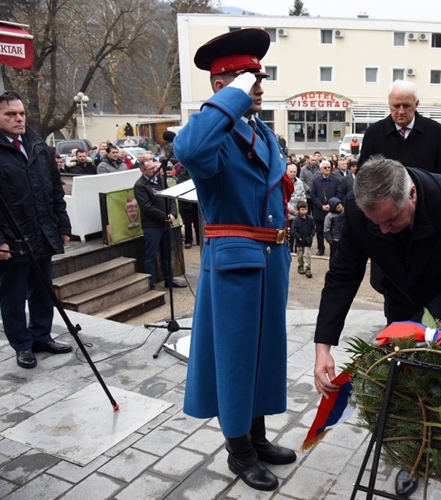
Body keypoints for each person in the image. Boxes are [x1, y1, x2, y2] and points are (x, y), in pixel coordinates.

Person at [173, 28, 296, 492]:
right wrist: (232, 98)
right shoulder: (215, 134)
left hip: (270, 259)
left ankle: (258, 437)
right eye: (248, 80)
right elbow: (188, 150)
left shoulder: (261, 131)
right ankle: (238, 452)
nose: (259, 88)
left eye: (258, 80)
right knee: (236, 357)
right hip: (234, 265)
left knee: (263, 354)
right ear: (221, 85)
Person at [313, 155, 441, 409]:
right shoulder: (359, 209)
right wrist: (323, 346)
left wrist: (404, 333)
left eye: (391, 220)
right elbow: (342, 276)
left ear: (412, 194)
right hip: (404, 299)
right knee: (408, 395)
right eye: (376, 223)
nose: (382, 230)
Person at [0, 90, 73, 369]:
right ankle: (22, 344)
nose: (19, 119)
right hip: (12, 239)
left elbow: (55, 189)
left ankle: (41, 335)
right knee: (13, 296)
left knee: (43, 290)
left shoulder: (37, 145)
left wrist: (62, 225)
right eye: (10, 114)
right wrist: (0, 241)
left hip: (42, 232)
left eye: (21, 113)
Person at [358, 80, 441, 175]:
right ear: (389, 104)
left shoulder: (435, 131)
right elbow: (362, 175)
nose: (401, 111)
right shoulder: (374, 133)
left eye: (406, 106)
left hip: (425, 190)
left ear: (416, 104)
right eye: (396, 106)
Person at [133, 157, 186, 290]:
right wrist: (164, 216)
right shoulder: (140, 185)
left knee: (167, 253)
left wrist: (173, 213)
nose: (155, 170)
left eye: (156, 168)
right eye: (151, 169)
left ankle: (169, 279)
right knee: (151, 256)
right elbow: (146, 206)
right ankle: (151, 285)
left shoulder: (161, 180)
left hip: (167, 223)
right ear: (143, 171)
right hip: (152, 226)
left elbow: (171, 197)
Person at [309, 159, 341, 256]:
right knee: (319, 231)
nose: (327, 169)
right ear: (321, 169)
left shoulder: (336, 180)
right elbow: (313, 195)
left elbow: (339, 194)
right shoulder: (316, 181)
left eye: (329, 167)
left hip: (333, 210)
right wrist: (321, 205)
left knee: (334, 230)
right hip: (320, 210)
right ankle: (321, 248)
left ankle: (335, 248)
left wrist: (331, 205)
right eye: (325, 168)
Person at [172, 160, 200, 249]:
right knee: (187, 223)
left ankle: (199, 239)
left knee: (197, 221)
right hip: (185, 200)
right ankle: (188, 240)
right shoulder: (177, 168)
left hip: (196, 199)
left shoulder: (195, 167)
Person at [291, 200, 315, 278]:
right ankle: (300, 266)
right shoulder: (296, 220)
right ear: (298, 210)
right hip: (300, 240)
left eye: (306, 209)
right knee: (300, 254)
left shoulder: (310, 219)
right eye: (302, 209)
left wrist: (311, 235)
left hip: (308, 239)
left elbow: (313, 227)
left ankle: (308, 268)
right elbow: (293, 231)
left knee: (307, 254)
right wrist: (299, 237)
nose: (304, 211)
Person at [286, 163, 306, 253]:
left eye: (295, 172)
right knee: (289, 233)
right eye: (291, 172)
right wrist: (293, 211)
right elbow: (284, 200)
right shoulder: (283, 182)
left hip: (298, 212)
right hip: (289, 213)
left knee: (298, 232)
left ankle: (297, 249)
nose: (293, 173)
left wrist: (302, 207)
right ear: (287, 172)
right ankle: (289, 249)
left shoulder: (299, 182)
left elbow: (303, 195)